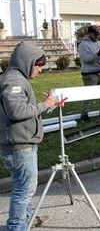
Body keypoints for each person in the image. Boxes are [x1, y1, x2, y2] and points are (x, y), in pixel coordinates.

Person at [0, 42, 56, 231]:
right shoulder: (14, 81)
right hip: (19, 146)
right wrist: (45, 104)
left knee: (22, 185)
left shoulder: (14, 78)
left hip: (18, 143)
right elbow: (16, 111)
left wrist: (45, 105)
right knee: (24, 189)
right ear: (27, 61)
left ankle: (28, 218)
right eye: (38, 64)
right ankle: (17, 227)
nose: (41, 69)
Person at [78, 25, 100, 122]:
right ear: (90, 33)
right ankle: (84, 115)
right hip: (89, 74)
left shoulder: (98, 43)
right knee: (88, 95)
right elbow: (85, 59)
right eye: (96, 34)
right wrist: (97, 55)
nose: (97, 36)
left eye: (99, 34)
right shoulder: (82, 45)